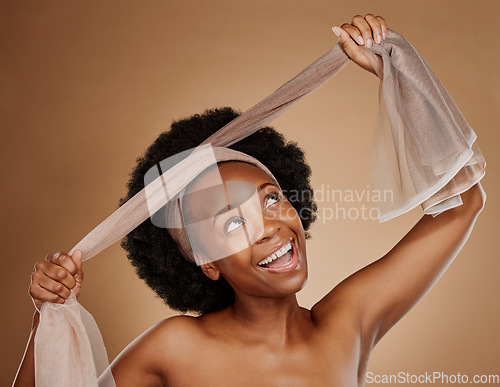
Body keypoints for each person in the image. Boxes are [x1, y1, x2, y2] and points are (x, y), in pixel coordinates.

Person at [14, 14, 486, 386]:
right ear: (207, 264)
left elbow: (463, 201)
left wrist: (393, 74)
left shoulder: (348, 322)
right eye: (232, 225)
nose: (270, 228)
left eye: (272, 199)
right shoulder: (175, 349)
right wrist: (49, 315)